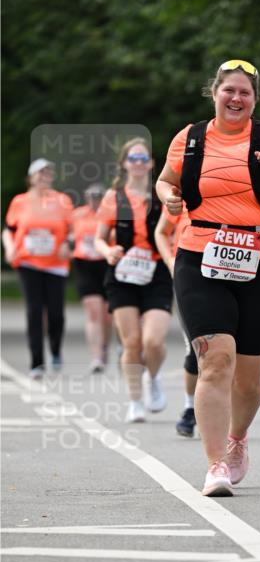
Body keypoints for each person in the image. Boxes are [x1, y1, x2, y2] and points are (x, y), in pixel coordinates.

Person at [156, 58, 260, 497]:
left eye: (245, 92)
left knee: (248, 379)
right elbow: (165, 181)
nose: (236, 98)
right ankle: (215, 465)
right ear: (214, 94)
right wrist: (169, 197)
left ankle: (237, 438)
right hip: (199, 256)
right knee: (216, 360)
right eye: (229, 90)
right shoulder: (190, 138)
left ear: (254, 100)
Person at [94, 138, 173, 423]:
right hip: (122, 275)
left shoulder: (163, 196)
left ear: (151, 164)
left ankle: (153, 376)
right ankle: (135, 401)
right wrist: (108, 251)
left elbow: (177, 230)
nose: (138, 163)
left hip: (157, 273)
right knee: (132, 342)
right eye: (133, 158)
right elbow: (99, 239)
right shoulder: (113, 198)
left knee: (153, 341)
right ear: (125, 164)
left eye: (143, 158)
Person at [2, 158, 74, 378]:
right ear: (30, 178)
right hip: (28, 262)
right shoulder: (20, 202)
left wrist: (67, 243)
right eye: (40, 173)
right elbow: (8, 230)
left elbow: (72, 230)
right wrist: (10, 248)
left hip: (55, 264)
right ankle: (37, 362)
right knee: (34, 310)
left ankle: (55, 349)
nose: (44, 177)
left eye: (48, 173)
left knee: (55, 313)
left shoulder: (62, 201)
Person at [154, 208, 198, 437]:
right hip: (188, 277)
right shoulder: (182, 196)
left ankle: (223, 410)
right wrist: (170, 261)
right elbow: (161, 232)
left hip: (227, 278)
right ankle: (191, 408)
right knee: (197, 349)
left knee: (229, 351)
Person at [71, 183, 113, 372]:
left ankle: (104, 346)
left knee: (107, 315)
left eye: (99, 197)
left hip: (106, 265)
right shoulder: (78, 215)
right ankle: (96, 356)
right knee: (93, 311)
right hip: (85, 266)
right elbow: (68, 234)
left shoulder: (111, 215)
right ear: (87, 198)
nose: (95, 201)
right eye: (92, 197)